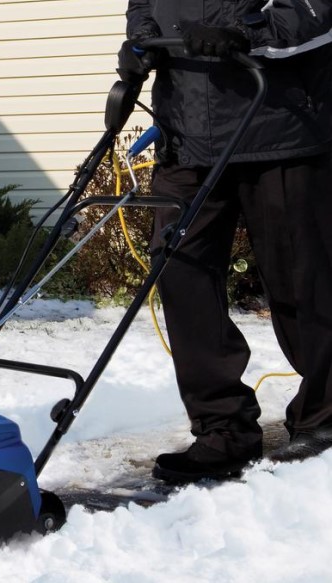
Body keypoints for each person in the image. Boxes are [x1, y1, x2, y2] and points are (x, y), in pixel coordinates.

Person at [116, 0, 332, 482]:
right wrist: (141, 39)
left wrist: (248, 32)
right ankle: (222, 429)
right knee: (179, 269)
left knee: (301, 279)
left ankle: (323, 416)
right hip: (186, 131)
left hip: (280, 123)